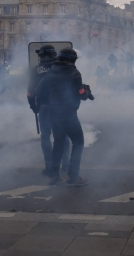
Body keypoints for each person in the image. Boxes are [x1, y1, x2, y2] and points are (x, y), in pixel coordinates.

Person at [35, 48, 91, 187]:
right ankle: (73, 177)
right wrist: (86, 91)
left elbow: (38, 91)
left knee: (58, 144)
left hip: (54, 114)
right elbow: (81, 94)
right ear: (71, 59)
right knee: (78, 142)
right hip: (68, 114)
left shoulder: (51, 72)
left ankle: (54, 176)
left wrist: (49, 102)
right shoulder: (74, 73)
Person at [27, 45, 70, 176]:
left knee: (45, 136)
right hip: (61, 107)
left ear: (41, 56)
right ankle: (66, 163)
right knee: (64, 135)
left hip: (44, 107)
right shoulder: (62, 68)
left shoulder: (36, 71)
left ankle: (49, 166)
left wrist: (33, 107)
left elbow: (30, 92)